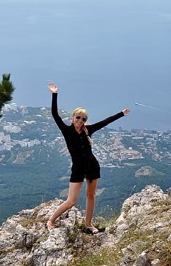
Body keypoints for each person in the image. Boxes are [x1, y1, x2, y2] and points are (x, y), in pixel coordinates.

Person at [46, 82, 130, 233]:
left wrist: (121, 114)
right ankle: (51, 220)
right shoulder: (67, 130)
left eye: (83, 119)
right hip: (78, 169)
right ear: (73, 118)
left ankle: (88, 224)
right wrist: (54, 94)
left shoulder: (87, 131)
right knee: (71, 201)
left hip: (92, 166)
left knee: (91, 196)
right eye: (78, 117)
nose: (80, 120)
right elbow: (55, 115)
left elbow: (105, 122)